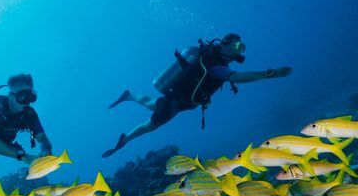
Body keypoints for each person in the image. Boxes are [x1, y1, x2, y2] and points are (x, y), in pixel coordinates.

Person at [101, 33, 293, 157]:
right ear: (225, 45)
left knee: (153, 104)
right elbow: (240, 77)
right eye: (236, 46)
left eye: (241, 48)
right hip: (177, 101)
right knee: (151, 125)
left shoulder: (214, 62)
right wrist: (270, 73)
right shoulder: (216, 65)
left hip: (180, 99)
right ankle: (125, 140)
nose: (238, 52)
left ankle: (130, 96)